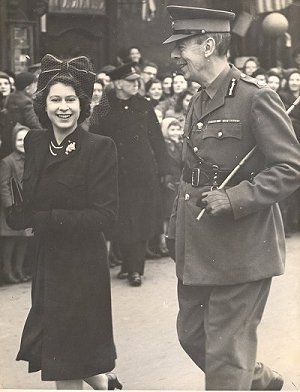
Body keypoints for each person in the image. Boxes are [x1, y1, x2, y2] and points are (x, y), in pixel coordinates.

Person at [163, 5, 300, 390]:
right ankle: (257, 380)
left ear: (208, 45)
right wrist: (176, 228)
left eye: (182, 46)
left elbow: (290, 168)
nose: (174, 56)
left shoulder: (256, 97)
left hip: (243, 247)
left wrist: (237, 197)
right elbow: (189, 175)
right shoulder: (199, 99)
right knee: (194, 337)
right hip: (198, 244)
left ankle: (239, 376)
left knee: (224, 358)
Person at [7, 54, 121, 390]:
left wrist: (48, 219)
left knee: (66, 358)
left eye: (71, 99)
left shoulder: (99, 147)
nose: (63, 107)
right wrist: (19, 213)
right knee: (63, 350)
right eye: (55, 99)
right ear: (43, 104)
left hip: (81, 266)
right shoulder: (34, 141)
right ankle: (105, 384)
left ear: (82, 104)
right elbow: (31, 196)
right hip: (47, 262)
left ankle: (102, 383)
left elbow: (105, 215)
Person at [90, 63, 169, 286]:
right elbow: (95, 140)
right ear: (117, 83)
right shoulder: (103, 108)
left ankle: (136, 269)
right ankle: (127, 265)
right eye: (130, 81)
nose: (136, 84)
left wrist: (165, 170)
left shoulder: (144, 105)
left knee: (140, 219)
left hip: (142, 173)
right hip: (115, 174)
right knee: (123, 220)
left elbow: (157, 139)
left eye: (137, 81)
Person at [0, 123, 31, 284]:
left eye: (26, 140)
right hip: (12, 209)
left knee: (23, 240)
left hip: (26, 207)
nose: (23, 143)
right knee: (10, 241)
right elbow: (4, 185)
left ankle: (19, 270)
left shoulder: (32, 159)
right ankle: (8, 271)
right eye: (19, 140)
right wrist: (9, 206)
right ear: (14, 141)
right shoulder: (8, 161)